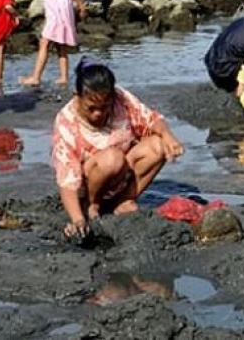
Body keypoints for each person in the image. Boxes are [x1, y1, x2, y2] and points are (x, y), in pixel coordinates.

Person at [51, 59, 183, 238]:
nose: (98, 114)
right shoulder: (66, 122)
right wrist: (77, 219)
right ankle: (91, 204)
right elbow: (67, 179)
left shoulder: (121, 99)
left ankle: (124, 201)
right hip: (90, 179)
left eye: (104, 107)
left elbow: (151, 119)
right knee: (112, 158)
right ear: (77, 97)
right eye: (91, 108)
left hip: (122, 173)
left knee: (158, 146)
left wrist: (168, 136)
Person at [20, 0, 88, 86]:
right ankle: (63, 77)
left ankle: (35, 77)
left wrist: (82, 7)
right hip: (54, 14)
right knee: (60, 46)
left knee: (44, 42)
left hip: (59, 15)